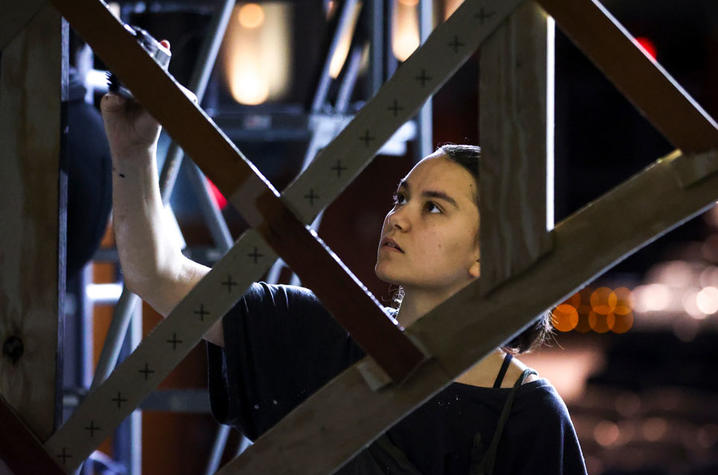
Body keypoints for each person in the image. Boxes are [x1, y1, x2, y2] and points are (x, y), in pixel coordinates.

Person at [101, 60, 587, 474]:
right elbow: (158, 274)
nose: (398, 216)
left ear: (489, 255)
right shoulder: (315, 332)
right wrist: (134, 151)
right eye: (402, 198)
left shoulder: (529, 417)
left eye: (433, 207)